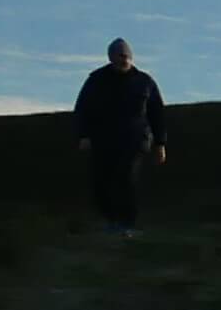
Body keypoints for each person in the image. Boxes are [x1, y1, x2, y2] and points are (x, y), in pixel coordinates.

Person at [71, 39, 168, 238]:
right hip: (103, 140)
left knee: (127, 180)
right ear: (111, 58)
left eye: (125, 56)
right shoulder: (97, 80)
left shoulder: (144, 82)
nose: (123, 60)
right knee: (101, 181)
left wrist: (160, 143)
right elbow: (82, 109)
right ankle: (111, 220)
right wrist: (83, 135)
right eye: (118, 56)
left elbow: (156, 113)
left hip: (134, 141)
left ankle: (127, 224)